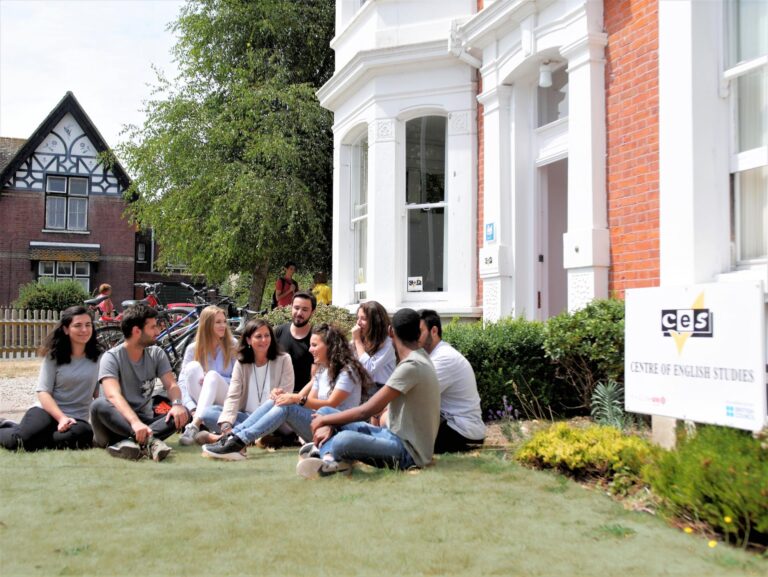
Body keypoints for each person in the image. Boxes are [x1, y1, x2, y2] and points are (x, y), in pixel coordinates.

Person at [297, 308, 440, 479]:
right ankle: (329, 457)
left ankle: (327, 456)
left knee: (343, 439)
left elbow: (367, 410)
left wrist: (326, 422)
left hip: (408, 452)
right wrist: (327, 419)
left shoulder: (412, 365)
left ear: (390, 332)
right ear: (419, 333)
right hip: (391, 435)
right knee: (325, 411)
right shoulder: (419, 358)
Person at [202, 323, 373, 460]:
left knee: (287, 405)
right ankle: (234, 438)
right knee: (279, 400)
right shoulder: (323, 369)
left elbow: (331, 404)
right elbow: (309, 401)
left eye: (314, 345)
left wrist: (294, 399)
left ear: (329, 346)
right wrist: (286, 397)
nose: (310, 349)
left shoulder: (347, 371)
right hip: (318, 424)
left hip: (336, 429)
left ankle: (240, 441)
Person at [90, 304, 189, 461]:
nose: (157, 332)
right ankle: (150, 441)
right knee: (99, 405)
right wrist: (134, 423)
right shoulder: (111, 357)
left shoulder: (157, 353)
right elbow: (112, 395)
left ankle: (132, 443)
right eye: (152, 327)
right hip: (114, 424)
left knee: (184, 412)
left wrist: (177, 404)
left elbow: (171, 385)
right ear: (137, 331)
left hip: (144, 421)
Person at [0, 306, 100, 451]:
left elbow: (100, 394)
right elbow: (43, 392)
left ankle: (34, 438)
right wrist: (61, 418)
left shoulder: (100, 358)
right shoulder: (54, 356)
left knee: (83, 435)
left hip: (76, 418)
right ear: (66, 329)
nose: (84, 330)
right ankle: (7, 427)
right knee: (20, 442)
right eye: (78, 325)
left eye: (88, 325)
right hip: (46, 411)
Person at [197, 319, 294, 452]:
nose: (264, 340)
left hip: (274, 418)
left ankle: (227, 438)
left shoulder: (284, 359)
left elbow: (286, 394)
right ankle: (256, 437)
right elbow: (233, 396)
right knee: (208, 413)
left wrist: (277, 394)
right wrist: (226, 425)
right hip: (245, 417)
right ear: (248, 340)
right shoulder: (241, 363)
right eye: (258, 336)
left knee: (275, 405)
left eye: (267, 335)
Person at [418, 309, 486, 452]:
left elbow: (416, 396)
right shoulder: (435, 355)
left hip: (462, 432)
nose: (415, 338)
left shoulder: (443, 358)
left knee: (406, 432)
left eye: (419, 332)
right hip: (454, 426)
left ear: (434, 331)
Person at [177, 306, 238, 445]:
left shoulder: (233, 345)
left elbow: (238, 380)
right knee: (191, 368)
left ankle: (194, 426)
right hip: (200, 403)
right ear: (207, 324)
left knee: (212, 376)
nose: (223, 325)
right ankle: (200, 421)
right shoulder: (193, 349)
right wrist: (192, 409)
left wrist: (214, 379)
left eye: (224, 321)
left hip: (226, 399)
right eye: (218, 322)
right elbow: (182, 383)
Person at [274, 292, 316, 393]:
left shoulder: (316, 338)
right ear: (291, 307)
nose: (299, 313)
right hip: (277, 394)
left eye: (305, 309)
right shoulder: (278, 332)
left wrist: (298, 398)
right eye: (296, 308)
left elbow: (317, 378)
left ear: (312, 312)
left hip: (302, 399)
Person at [351, 301, 396, 391]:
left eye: (363, 319)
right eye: (358, 318)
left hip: (381, 389)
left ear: (375, 322)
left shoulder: (388, 343)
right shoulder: (362, 339)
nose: (358, 323)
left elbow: (368, 368)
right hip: (362, 387)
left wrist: (357, 340)